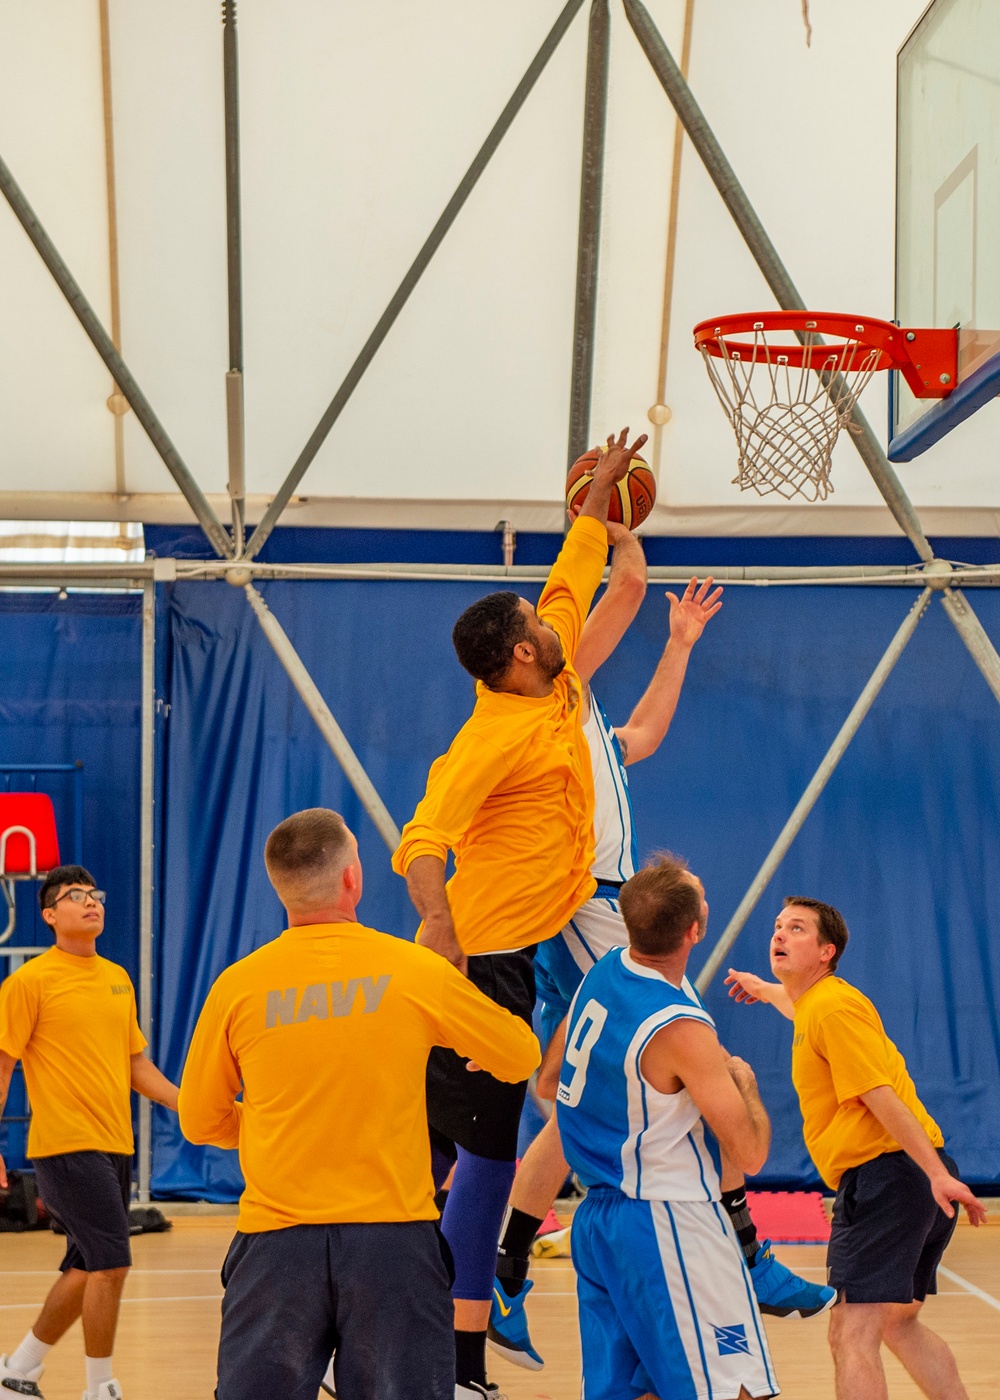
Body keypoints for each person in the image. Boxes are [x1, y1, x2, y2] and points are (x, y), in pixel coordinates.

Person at [488, 536, 834, 1372]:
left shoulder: (592, 725)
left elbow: (642, 729)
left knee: (582, 1096)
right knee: (686, 1047)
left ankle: (504, 1267)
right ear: (530, 658)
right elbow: (626, 587)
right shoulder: (545, 716)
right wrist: (610, 521)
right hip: (589, 903)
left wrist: (678, 645)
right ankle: (745, 1251)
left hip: (600, 904)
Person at [392, 430, 646, 1397]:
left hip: (537, 933)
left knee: (474, 1159)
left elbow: (575, 568)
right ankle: (446, 1361)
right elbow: (422, 837)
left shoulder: (556, 666)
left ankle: (446, 1349)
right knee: (477, 1161)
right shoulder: (489, 737)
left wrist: (601, 499)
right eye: (533, 624)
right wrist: (444, 932)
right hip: (479, 960)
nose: (548, 620)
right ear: (518, 655)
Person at [177, 808, 539, 1400]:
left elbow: (198, 1120)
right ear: (352, 879)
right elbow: (520, 1055)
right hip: (393, 1243)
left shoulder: (237, 986)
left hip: (276, 1244)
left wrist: (277, 1126)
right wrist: (475, 1051)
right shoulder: (412, 969)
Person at [726, 898, 986, 1400]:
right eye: (778, 927)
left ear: (827, 951)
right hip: (911, 1179)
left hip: (888, 1179)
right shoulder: (817, 1004)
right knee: (898, 1325)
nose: (779, 935)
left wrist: (934, 1173)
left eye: (796, 929)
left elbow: (877, 1094)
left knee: (851, 1333)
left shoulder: (831, 1007)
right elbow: (798, 1006)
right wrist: (764, 989)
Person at [556, 854, 779, 1400]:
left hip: (598, 1223)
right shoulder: (678, 1026)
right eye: (700, 894)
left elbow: (546, 1079)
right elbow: (750, 1154)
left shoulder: (604, 970)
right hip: (667, 1219)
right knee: (735, 1389)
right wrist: (743, 1082)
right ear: (694, 931)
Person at [0, 864, 179, 1400]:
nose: (90, 902)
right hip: (65, 1144)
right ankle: (100, 1387)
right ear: (50, 916)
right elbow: (3, 1064)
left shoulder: (117, 978)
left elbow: (136, 1067)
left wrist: (189, 1104)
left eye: (94, 894)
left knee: (86, 1265)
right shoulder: (28, 982)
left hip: (113, 1143)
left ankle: (19, 1370)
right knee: (112, 1264)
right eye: (74, 896)